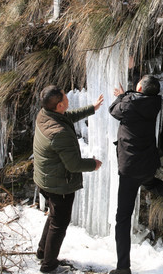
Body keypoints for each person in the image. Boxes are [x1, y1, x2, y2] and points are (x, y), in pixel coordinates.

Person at [108, 74, 163, 274]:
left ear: (139, 89)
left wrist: (122, 96)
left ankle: (123, 267)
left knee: (122, 218)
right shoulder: (155, 101)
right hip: (147, 163)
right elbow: (136, 98)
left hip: (130, 168)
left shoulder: (129, 105)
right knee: (151, 184)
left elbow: (113, 110)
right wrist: (128, 94)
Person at [33, 85, 104, 274]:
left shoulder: (45, 115)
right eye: (65, 97)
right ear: (59, 106)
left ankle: (43, 252)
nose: (67, 97)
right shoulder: (59, 133)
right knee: (59, 224)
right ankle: (49, 266)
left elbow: (67, 118)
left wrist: (91, 108)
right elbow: (73, 165)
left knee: (54, 217)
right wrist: (93, 164)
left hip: (45, 179)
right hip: (59, 185)